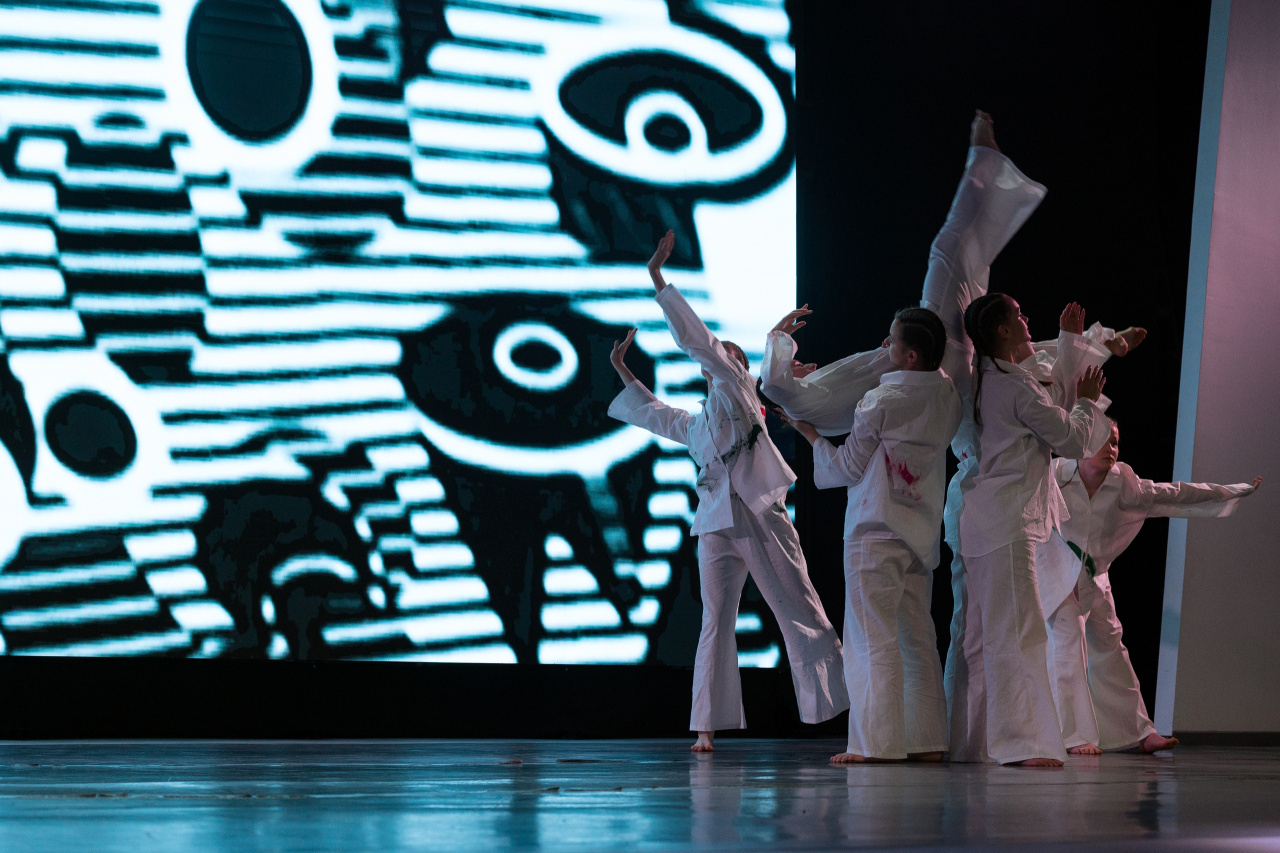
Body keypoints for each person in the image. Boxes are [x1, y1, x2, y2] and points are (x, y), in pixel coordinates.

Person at [607, 229, 849, 752]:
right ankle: (706, 727)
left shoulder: (737, 388)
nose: (719, 359)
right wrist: (623, 369)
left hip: (760, 514)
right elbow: (653, 414)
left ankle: (847, 707)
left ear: (738, 368)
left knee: (798, 607)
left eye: (729, 356)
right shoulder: (698, 425)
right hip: (716, 524)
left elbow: (701, 343)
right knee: (715, 620)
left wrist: (658, 280)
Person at [786, 307, 961, 763]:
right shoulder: (948, 395)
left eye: (892, 341)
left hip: (875, 531)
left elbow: (845, 468)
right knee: (917, 639)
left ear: (910, 355)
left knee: (871, 638)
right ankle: (927, 741)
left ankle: (876, 745)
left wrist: (810, 434)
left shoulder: (880, 401)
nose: (885, 346)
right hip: (919, 532)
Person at [1038, 419, 1261, 754]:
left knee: (1111, 649)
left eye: (1115, 443)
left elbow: (1177, 494)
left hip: (1094, 577)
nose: (1111, 449)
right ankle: (1072, 736)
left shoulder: (1125, 486)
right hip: (1054, 574)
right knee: (1069, 639)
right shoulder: (1054, 475)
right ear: (1082, 442)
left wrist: (1232, 490)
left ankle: (1138, 733)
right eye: (1103, 441)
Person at [952, 292, 1110, 766]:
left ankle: (974, 742)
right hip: (1008, 523)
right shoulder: (1014, 386)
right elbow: (1071, 437)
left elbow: (1048, 402)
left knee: (983, 637)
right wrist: (1087, 402)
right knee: (1019, 633)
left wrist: (1071, 343)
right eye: (1018, 315)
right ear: (1002, 330)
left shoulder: (985, 381)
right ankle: (1021, 744)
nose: (1025, 318)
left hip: (985, 523)